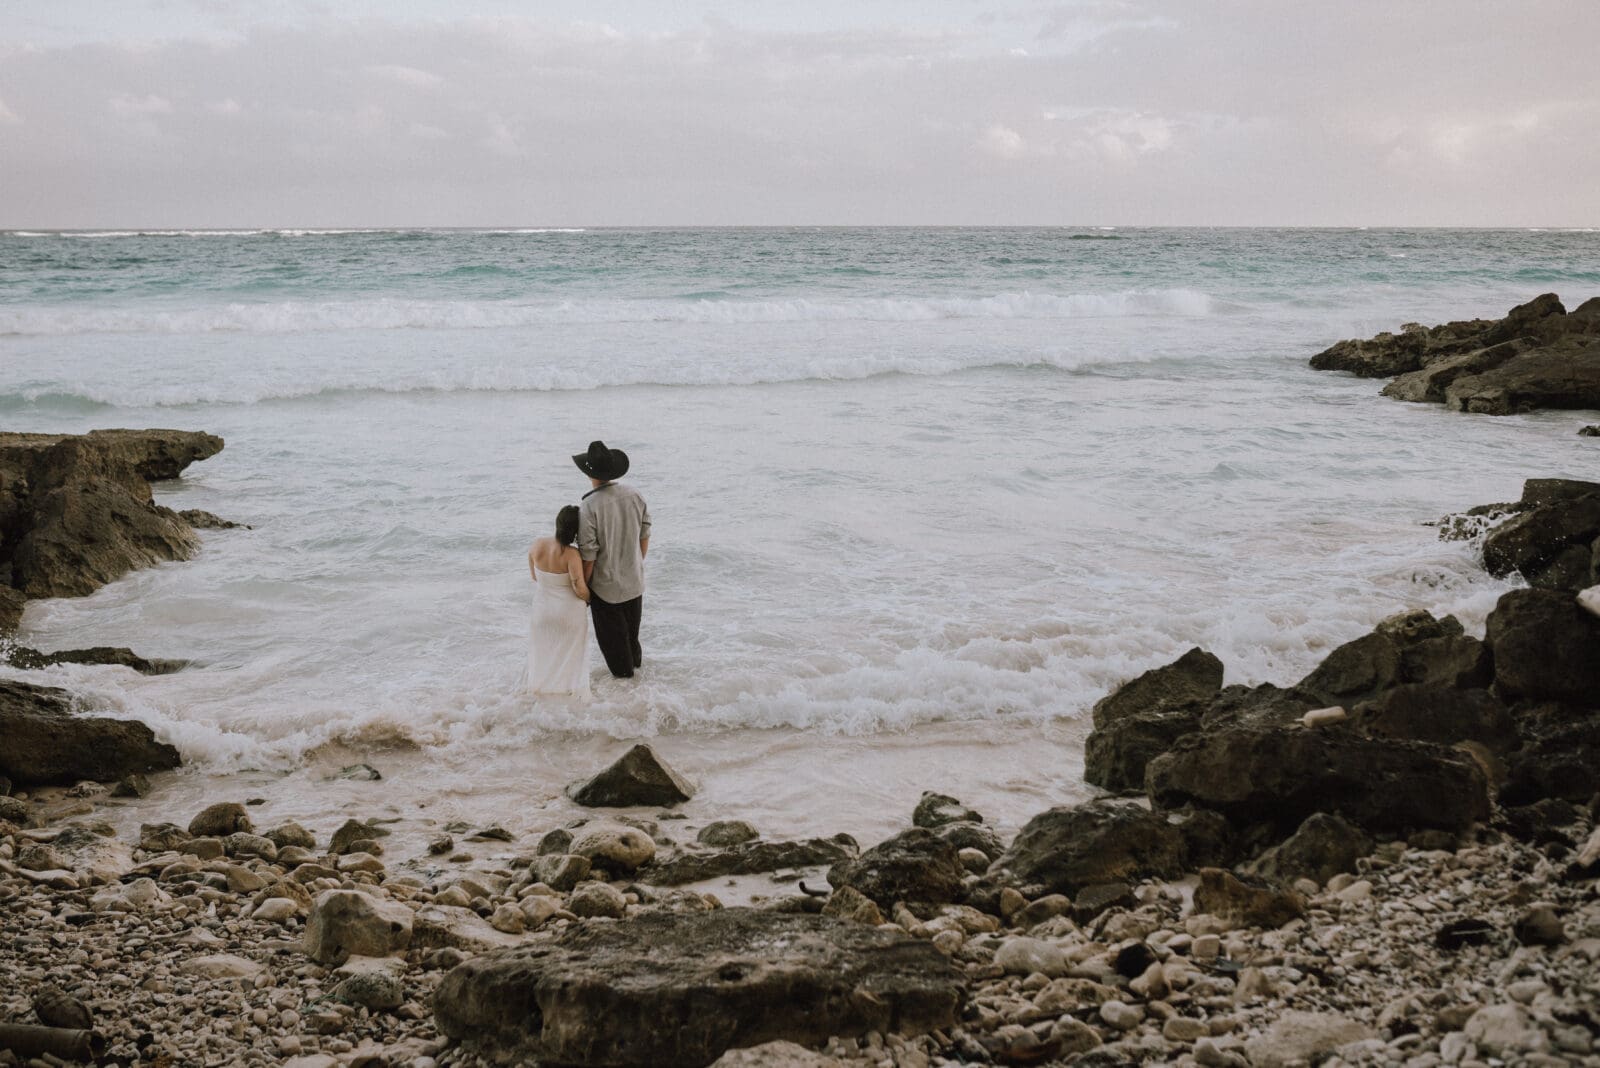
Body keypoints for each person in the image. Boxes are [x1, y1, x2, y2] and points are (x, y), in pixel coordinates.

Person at [573, 440, 650, 678]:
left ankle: (630, 705)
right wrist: (635, 563)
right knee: (632, 646)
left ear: (589, 473)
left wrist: (584, 589)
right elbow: (645, 533)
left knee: (618, 660)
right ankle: (647, 696)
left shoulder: (589, 505)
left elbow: (589, 555)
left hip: (606, 591)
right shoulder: (634, 494)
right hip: (634, 582)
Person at [523, 504, 591, 697]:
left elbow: (535, 577)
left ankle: (541, 696)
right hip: (568, 614)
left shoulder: (536, 545)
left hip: (542, 612)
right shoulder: (572, 554)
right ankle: (568, 698)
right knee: (571, 659)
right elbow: (579, 588)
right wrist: (591, 599)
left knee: (543, 656)